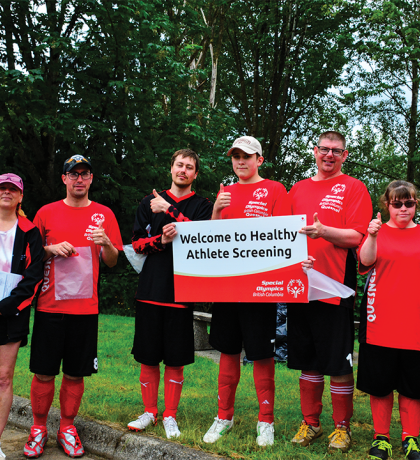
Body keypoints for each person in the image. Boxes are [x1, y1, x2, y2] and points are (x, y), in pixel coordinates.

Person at [202, 135, 312, 447]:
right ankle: (224, 415)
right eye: (236, 156)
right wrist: (215, 212)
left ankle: (266, 421)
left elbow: (286, 236)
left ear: (259, 160)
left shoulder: (275, 189)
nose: (241, 161)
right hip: (228, 287)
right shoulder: (225, 192)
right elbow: (212, 241)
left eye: (247, 156)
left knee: (261, 353)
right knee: (227, 349)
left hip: (260, 288)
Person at [23, 155, 123, 459]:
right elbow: (29, 254)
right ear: (64, 179)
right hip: (50, 307)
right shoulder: (46, 212)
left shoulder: (104, 214)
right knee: (43, 373)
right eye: (73, 174)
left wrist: (105, 242)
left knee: (75, 374)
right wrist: (50, 249)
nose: (79, 179)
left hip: (85, 309)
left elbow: (112, 261)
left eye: (85, 174)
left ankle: (67, 427)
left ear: (91, 179)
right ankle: (38, 428)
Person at [288, 131, 372, 452]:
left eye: (336, 151)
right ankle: (311, 423)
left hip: (335, 286)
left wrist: (323, 231)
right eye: (324, 149)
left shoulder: (353, 187)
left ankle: (342, 427)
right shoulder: (298, 189)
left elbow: (357, 237)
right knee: (307, 359)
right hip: (299, 284)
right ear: (314, 151)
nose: (329, 155)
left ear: (344, 156)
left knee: (337, 362)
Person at [127, 149, 213, 439]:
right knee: (148, 357)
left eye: (190, 167)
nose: (184, 170)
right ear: (171, 168)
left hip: (183, 291)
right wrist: (160, 241)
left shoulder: (202, 205)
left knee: (175, 360)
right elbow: (137, 244)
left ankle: (170, 415)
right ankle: (150, 412)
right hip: (151, 289)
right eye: (179, 165)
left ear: (195, 174)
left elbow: (203, 239)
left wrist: (170, 210)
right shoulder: (147, 202)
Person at [358, 180, 420, 460]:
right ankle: (381, 438)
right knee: (380, 385)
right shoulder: (376, 232)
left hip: (414, 325)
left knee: (413, 387)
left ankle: (411, 439)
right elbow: (365, 261)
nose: (403, 208)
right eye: (397, 203)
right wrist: (371, 236)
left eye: (409, 203)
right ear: (387, 205)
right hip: (380, 321)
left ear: (416, 204)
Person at [0, 174, 44, 459]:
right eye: (2, 188)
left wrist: (6, 306)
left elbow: (34, 277)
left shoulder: (29, 232)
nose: (6, 192)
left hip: (11, 313)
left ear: (20, 197)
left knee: (3, 378)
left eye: (11, 190)